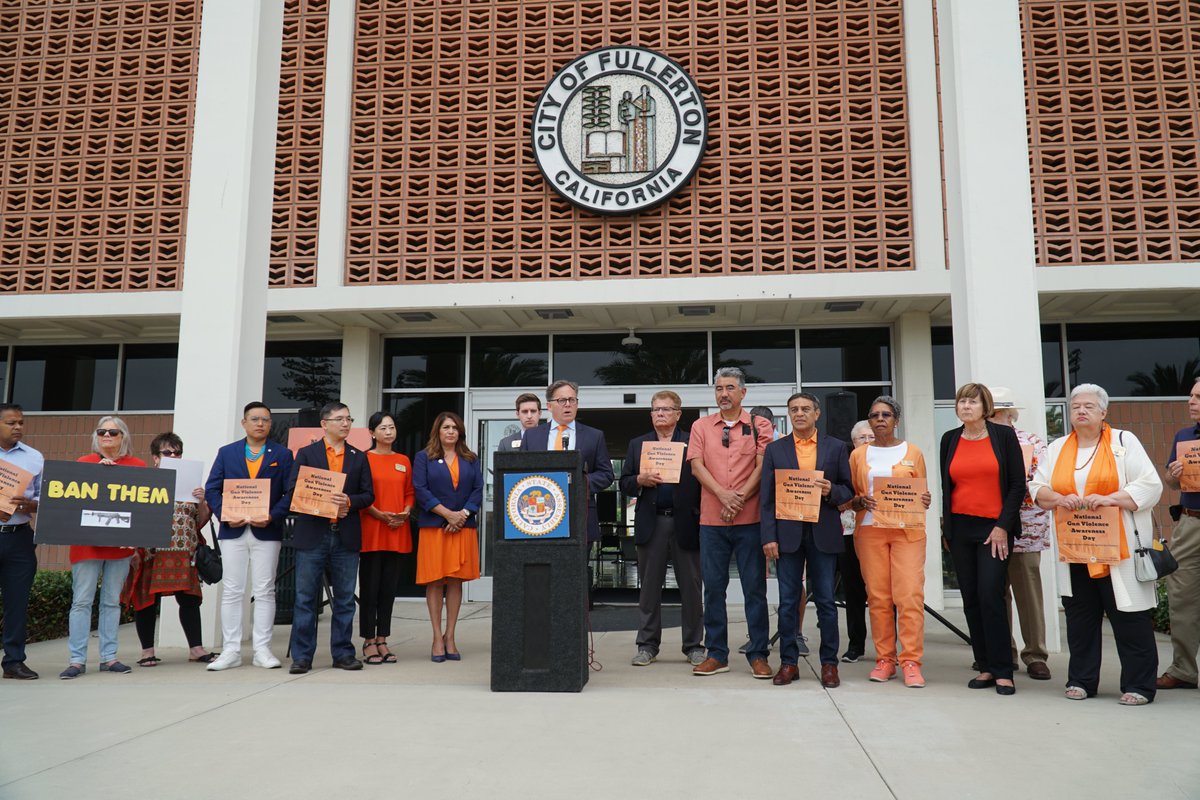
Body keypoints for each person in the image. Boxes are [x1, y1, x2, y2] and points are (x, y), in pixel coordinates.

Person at [1031, 383, 1163, 705]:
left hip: (1120, 551)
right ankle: (1081, 680)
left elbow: (1150, 485)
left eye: (1089, 406)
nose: (1081, 410)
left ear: (1104, 412)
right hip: (1076, 547)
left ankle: (1139, 685)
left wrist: (1109, 499)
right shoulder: (1058, 447)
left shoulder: (1122, 442)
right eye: (1075, 405)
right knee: (1080, 618)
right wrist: (1060, 498)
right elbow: (1037, 487)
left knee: (1129, 617)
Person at [760, 392, 853, 687]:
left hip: (822, 531)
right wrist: (768, 537)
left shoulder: (836, 447)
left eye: (804, 409)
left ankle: (829, 664)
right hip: (787, 535)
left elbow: (849, 490)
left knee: (826, 600)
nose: (799, 414)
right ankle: (789, 662)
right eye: (793, 409)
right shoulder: (775, 450)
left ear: (817, 414)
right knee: (788, 602)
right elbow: (767, 499)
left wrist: (831, 491)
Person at [940, 383, 1027, 696]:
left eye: (972, 401)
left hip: (994, 530)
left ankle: (1004, 670)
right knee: (971, 599)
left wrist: (1003, 525)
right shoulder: (949, 439)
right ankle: (985, 666)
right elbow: (946, 488)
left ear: (985, 406)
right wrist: (946, 531)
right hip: (961, 530)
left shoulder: (1003, 437)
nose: (965, 406)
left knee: (991, 595)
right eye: (961, 401)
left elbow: (1018, 485)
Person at [687, 367, 775, 679]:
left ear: (743, 393)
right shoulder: (701, 426)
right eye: (719, 388)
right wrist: (723, 496)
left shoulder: (759, 424)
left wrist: (737, 499)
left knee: (755, 588)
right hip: (712, 521)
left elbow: (764, 465)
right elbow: (697, 466)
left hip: (750, 520)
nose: (724, 394)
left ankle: (758, 654)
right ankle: (717, 654)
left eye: (730, 388)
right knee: (713, 589)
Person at [204, 402, 295, 671]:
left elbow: (289, 494)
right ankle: (231, 650)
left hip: (266, 530)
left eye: (266, 420)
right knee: (232, 590)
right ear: (244, 423)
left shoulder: (282, 454)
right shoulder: (227, 453)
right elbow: (212, 489)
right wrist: (225, 513)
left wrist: (272, 515)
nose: (260, 424)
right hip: (233, 530)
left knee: (265, 590)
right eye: (254, 419)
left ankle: (262, 650)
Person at [849, 396, 932, 688]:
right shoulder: (859, 455)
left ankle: (911, 661)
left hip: (906, 531)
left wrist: (925, 499)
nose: (880, 419)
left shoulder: (913, 452)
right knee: (879, 598)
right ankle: (885, 659)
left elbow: (922, 491)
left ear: (896, 420)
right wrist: (859, 500)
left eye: (886, 414)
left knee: (909, 595)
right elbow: (852, 495)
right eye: (874, 415)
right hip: (871, 531)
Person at [287, 402, 374, 674]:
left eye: (349, 419)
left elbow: (368, 494)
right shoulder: (307, 454)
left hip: (345, 535)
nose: (346, 424)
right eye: (340, 419)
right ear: (324, 424)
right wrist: (318, 498)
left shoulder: (359, 457)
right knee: (305, 598)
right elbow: (291, 490)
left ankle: (343, 653)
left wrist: (350, 499)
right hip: (314, 533)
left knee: (345, 598)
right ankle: (302, 656)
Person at [619, 391, 704, 667]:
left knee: (691, 587)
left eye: (666, 409)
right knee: (649, 588)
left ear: (679, 413)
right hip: (651, 521)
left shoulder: (693, 441)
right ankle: (647, 645)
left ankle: (693, 645)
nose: (660, 414)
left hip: (686, 523)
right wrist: (639, 480)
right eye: (655, 410)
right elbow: (624, 482)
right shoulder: (638, 444)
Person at [60, 416, 143, 679]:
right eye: (102, 431)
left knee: (111, 602)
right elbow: (70, 503)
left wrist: (138, 537)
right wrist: (99, 473)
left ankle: (109, 657)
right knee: (81, 601)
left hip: (120, 546)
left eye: (113, 432)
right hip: (87, 546)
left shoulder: (137, 466)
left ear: (124, 437)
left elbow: (145, 507)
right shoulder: (83, 464)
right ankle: (77, 660)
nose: (107, 436)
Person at [124, 433, 215, 666]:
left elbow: (201, 520)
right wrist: (132, 549)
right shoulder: (143, 483)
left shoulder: (191, 484)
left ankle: (196, 649)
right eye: (167, 453)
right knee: (146, 601)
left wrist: (203, 501)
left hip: (185, 550)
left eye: (177, 452)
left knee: (190, 600)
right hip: (151, 551)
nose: (174, 456)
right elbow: (132, 517)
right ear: (156, 458)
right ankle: (147, 652)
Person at [988, 387, 1053, 681]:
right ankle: (1005, 652)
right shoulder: (979, 441)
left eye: (991, 412)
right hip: (989, 528)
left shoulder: (1032, 443)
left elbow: (1040, 482)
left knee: (1028, 593)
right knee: (995, 593)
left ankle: (1036, 654)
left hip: (1026, 528)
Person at [414, 412, 483, 662]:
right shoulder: (424, 457)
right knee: (435, 580)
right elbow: (420, 489)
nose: (451, 431)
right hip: (435, 527)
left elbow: (478, 488)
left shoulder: (470, 458)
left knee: (455, 580)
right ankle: (436, 637)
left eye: (454, 427)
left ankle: (450, 636)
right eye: (446, 427)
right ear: (438, 431)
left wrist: (461, 515)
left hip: (462, 527)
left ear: (460, 432)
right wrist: (447, 515)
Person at [521, 380, 614, 544]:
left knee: (577, 569)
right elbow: (521, 473)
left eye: (572, 400)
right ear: (549, 406)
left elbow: (606, 474)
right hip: (540, 517)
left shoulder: (594, 436)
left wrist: (580, 482)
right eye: (562, 400)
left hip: (580, 516)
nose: (568, 405)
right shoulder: (532, 436)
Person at [359, 411, 414, 665]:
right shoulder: (363, 459)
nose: (389, 432)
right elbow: (359, 494)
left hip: (397, 530)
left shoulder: (403, 460)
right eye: (383, 428)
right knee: (370, 589)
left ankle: (383, 639)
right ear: (372, 432)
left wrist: (405, 512)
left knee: (389, 590)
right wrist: (380, 514)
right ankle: (368, 640)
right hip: (372, 530)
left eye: (392, 427)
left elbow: (409, 492)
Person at [1158, 377, 1200, 691]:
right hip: (1190, 522)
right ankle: (1184, 669)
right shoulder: (1184, 437)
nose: (1191, 402)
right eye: (1190, 396)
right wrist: (1173, 477)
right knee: (1181, 594)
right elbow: (1174, 485)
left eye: (1198, 397)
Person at [0, 404, 44, 680]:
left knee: (17, 602)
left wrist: (30, 505)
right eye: (10, 423)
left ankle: (14, 661)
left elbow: (45, 500)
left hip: (18, 538)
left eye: (21, 423)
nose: (17, 427)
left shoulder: (34, 457)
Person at [838, 420, 873, 663]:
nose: (867, 441)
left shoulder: (887, 463)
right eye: (862, 437)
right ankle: (855, 644)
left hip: (882, 531)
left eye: (871, 436)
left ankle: (887, 649)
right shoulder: (846, 463)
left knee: (883, 594)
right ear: (854, 442)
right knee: (853, 591)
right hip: (850, 532)